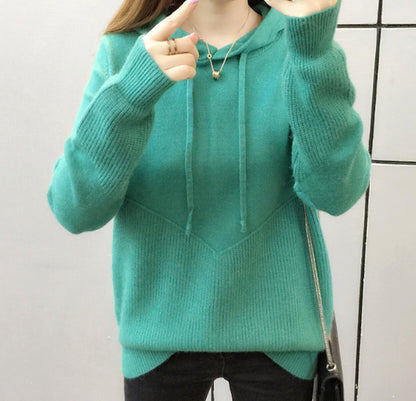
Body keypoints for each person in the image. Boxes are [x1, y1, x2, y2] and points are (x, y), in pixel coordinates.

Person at [46, 0, 371, 399]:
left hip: (282, 335)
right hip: (159, 335)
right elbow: (74, 209)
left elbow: (337, 193)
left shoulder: (300, 45)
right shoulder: (129, 50)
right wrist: (130, 94)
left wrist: (314, 54)